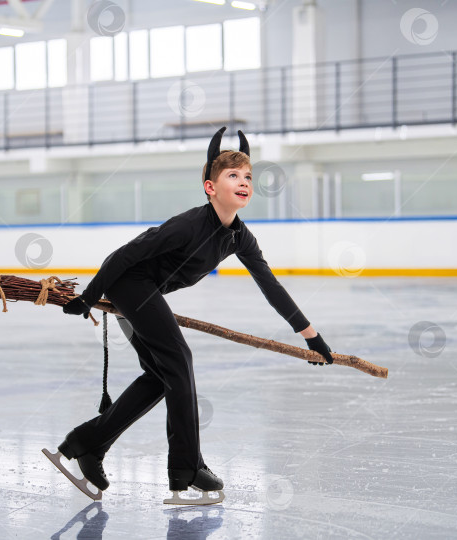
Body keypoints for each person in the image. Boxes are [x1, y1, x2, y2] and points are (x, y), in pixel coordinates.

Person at [53, 126, 333, 505]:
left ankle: (87, 443)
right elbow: (120, 257)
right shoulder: (188, 225)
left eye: (248, 176)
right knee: (180, 359)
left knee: (159, 375)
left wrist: (311, 336)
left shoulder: (239, 237)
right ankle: (186, 469)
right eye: (232, 175)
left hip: (143, 295)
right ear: (210, 187)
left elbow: (271, 287)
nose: (244, 181)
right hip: (130, 285)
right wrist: (89, 297)